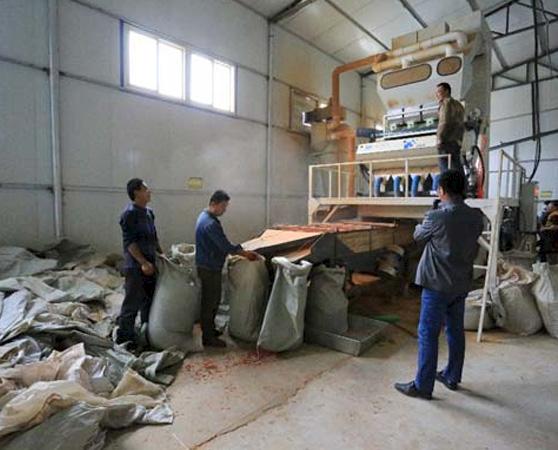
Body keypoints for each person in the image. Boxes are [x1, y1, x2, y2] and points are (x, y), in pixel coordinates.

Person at [395, 170, 484, 400]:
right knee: (455, 331)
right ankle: (452, 376)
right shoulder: (477, 217)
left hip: (436, 285)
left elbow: (417, 235)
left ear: (442, 190)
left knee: (428, 333)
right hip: (460, 284)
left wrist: (430, 213)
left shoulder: (437, 217)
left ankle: (423, 386)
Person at [195, 190, 258, 348]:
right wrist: (244, 253)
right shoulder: (210, 223)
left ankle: (209, 329)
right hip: (209, 268)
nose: (225, 209)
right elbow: (224, 245)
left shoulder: (205, 217)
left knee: (210, 301)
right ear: (214, 204)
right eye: (223, 206)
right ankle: (208, 338)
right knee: (211, 301)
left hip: (206, 264)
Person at [116, 178, 162, 348]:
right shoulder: (129, 214)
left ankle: (146, 333)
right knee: (132, 302)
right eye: (146, 189)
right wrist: (143, 262)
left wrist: (161, 255)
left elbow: (154, 237)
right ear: (136, 193)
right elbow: (130, 242)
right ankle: (125, 338)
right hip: (136, 267)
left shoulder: (149, 212)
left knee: (149, 301)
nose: (149, 192)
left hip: (150, 264)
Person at [436, 82, 465, 175]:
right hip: (456, 141)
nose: (437, 94)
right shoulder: (459, 105)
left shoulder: (445, 103)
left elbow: (444, 122)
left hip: (446, 141)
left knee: (444, 167)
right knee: (456, 165)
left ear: (447, 91)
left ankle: (448, 187)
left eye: (440, 91)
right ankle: (461, 185)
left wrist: (440, 139)